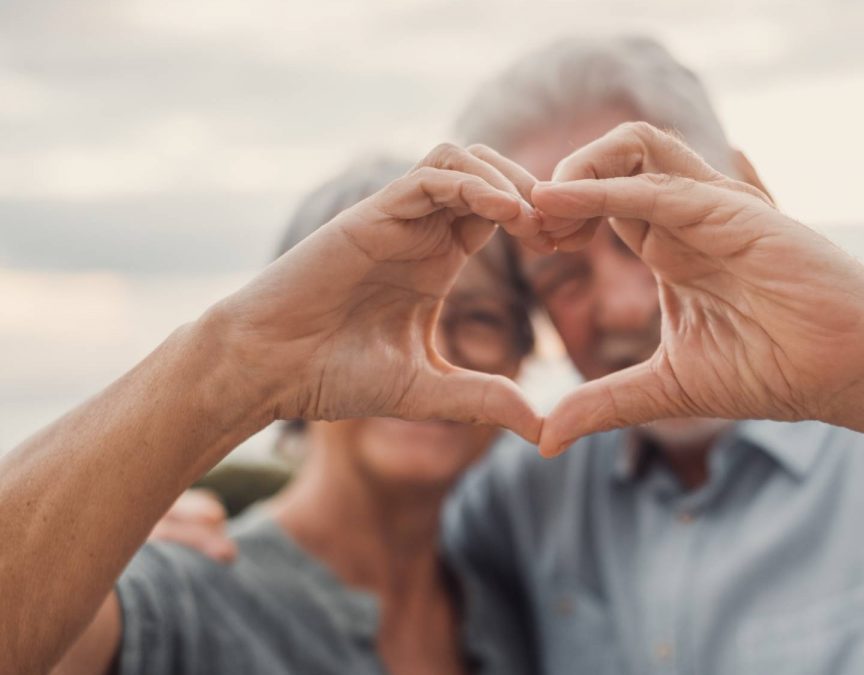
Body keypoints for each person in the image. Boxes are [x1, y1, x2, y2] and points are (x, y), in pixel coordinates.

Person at [441, 36, 864, 673]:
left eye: (642, 233)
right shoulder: (523, 500)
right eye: (563, 278)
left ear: (746, 192)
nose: (626, 309)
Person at [0, 147, 547, 674]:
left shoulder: (521, 608)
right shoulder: (184, 590)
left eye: (481, 319)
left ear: (521, 357)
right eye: (380, 313)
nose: (431, 354)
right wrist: (231, 363)